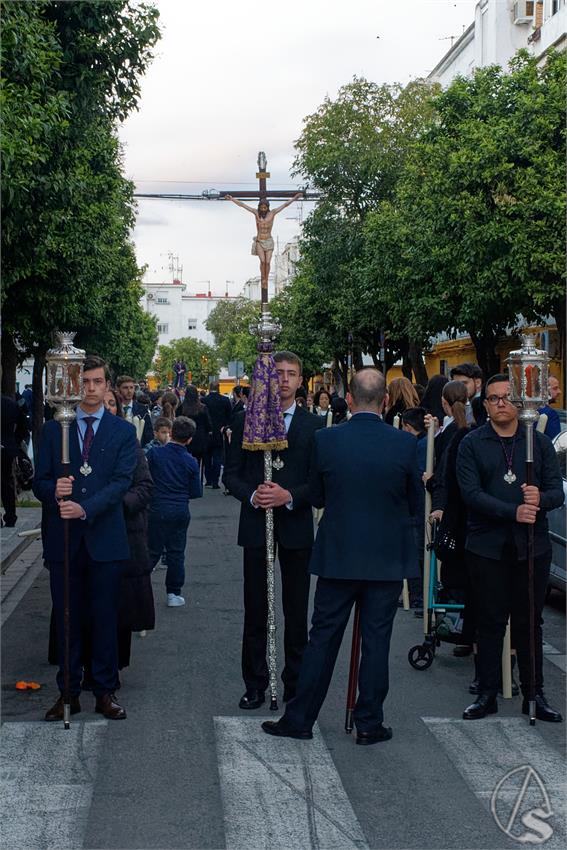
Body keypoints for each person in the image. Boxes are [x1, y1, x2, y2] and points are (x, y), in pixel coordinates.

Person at [262, 368, 421, 743]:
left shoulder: (326, 439)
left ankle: (299, 718)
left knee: (323, 639)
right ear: (385, 401)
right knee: (377, 640)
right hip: (384, 556)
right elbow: (414, 502)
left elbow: (316, 495)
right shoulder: (403, 444)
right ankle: (369, 722)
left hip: (339, 553)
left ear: (348, 399)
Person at [34, 355, 137, 721]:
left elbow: (120, 483)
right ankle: (68, 692)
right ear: (75, 385)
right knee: (67, 618)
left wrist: (85, 508)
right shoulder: (53, 430)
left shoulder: (122, 432)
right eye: (85, 382)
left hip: (105, 539)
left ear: (107, 385)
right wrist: (54, 490)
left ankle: (105, 691)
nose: (91, 388)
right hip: (65, 540)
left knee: (105, 618)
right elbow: (39, 482)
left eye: (97, 382)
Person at [457, 374, 564, 721]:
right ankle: (486, 691)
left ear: (518, 402)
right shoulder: (472, 444)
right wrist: (513, 511)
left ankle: (535, 694)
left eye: (507, 397)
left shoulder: (537, 444)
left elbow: (556, 492)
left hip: (530, 547)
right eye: (493, 398)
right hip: (486, 546)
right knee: (489, 621)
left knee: (529, 622)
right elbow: (472, 495)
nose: (501, 403)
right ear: (485, 405)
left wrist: (540, 498)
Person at [224, 351, 324, 710]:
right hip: (256, 525)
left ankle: (295, 683)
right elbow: (230, 474)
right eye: (277, 373)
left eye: (291, 374)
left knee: (296, 611)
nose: (283, 379)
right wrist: (253, 495)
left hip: (295, 526)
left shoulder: (315, 427)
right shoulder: (245, 419)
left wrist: (288, 496)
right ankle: (255, 683)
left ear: (301, 380)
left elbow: (319, 482)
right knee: (256, 609)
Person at [146, 416, 202, 607]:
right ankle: (173, 593)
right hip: (179, 509)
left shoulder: (154, 454)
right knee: (176, 552)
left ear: (171, 432)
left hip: (157, 507)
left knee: (151, 550)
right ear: (189, 439)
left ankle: (138, 587)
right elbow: (196, 492)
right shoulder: (191, 461)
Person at [225, 193, 302, 292]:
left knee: (268, 262)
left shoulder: (272, 213)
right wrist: (232, 199)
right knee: (262, 261)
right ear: (259, 207)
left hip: (269, 240)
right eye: (261, 207)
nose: (263, 209)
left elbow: (285, 205)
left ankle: (265, 277)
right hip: (260, 240)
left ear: (267, 207)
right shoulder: (256, 213)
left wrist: (295, 198)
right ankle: (263, 279)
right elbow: (243, 205)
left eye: (265, 207)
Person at [1, 393, 30, 526]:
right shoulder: (10, 404)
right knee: (6, 482)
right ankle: (10, 516)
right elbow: (24, 426)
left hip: (7, 446)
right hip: (6, 448)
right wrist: (14, 442)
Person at [202, 381, 232, 488]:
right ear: (219, 388)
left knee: (207, 457)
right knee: (217, 457)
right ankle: (215, 481)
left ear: (210, 388)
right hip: (220, 432)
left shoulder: (204, 400)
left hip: (207, 433)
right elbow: (229, 416)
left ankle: (208, 479)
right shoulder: (225, 400)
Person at [178, 385, 212, 473]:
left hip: (185, 438)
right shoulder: (202, 408)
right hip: (200, 439)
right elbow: (208, 424)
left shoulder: (181, 408)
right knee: (197, 463)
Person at [116, 375, 153, 447]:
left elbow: (149, 435)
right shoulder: (114, 409)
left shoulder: (142, 409)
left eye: (131, 388)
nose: (129, 391)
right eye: (125, 388)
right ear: (118, 389)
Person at [538, 374, 561, 440]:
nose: (559, 392)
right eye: (555, 388)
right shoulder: (550, 414)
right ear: (543, 390)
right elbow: (555, 443)